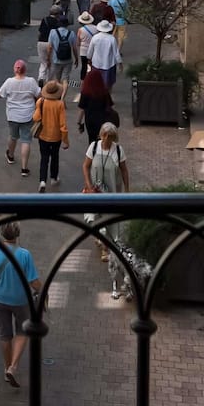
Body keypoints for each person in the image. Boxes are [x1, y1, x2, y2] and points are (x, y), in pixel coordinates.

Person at [0, 221, 42, 388]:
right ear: (17, 235)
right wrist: (43, 290)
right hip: (21, 300)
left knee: (4, 334)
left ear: (1, 233)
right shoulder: (25, 254)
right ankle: (13, 367)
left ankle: (6, 367)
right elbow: (33, 282)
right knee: (22, 331)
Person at [81, 123, 131, 298]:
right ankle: (100, 239)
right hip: (94, 192)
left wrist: (127, 191)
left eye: (110, 137)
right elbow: (85, 166)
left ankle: (104, 246)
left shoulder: (118, 151)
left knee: (109, 221)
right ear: (101, 134)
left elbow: (124, 170)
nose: (106, 139)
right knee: (92, 219)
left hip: (112, 193)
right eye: (104, 135)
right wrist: (88, 186)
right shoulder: (93, 147)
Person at [0, 59, 41, 176]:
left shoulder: (9, 82)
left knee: (13, 136)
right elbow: (39, 94)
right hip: (28, 115)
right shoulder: (31, 81)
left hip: (12, 115)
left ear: (14, 70)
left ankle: (10, 156)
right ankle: (24, 168)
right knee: (26, 141)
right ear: (25, 70)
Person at [31, 80, 69, 192]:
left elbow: (35, 118)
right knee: (55, 156)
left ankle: (42, 181)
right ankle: (54, 177)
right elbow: (63, 124)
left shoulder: (41, 102)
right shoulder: (60, 105)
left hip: (43, 135)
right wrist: (65, 140)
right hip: (56, 137)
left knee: (44, 157)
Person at [76, 69, 120, 147]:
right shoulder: (104, 92)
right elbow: (110, 105)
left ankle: (92, 154)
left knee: (92, 140)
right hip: (104, 120)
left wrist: (79, 122)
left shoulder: (85, 93)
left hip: (90, 121)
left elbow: (82, 109)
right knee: (103, 139)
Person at [87, 19, 123, 89]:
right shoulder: (111, 39)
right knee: (108, 85)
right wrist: (120, 63)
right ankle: (107, 97)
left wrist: (89, 59)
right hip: (108, 65)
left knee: (96, 84)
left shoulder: (95, 37)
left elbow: (90, 52)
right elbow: (116, 53)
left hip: (96, 64)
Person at [45, 16, 75, 90]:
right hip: (68, 59)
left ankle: (57, 95)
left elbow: (49, 47)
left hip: (56, 59)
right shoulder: (71, 33)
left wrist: (48, 59)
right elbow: (74, 48)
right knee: (65, 79)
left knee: (57, 79)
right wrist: (76, 58)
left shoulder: (53, 32)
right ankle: (63, 96)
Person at [35, 4, 63, 84]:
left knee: (43, 62)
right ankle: (48, 81)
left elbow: (39, 32)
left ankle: (41, 78)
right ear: (58, 14)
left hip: (41, 42)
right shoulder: (58, 22)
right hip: (51, 44)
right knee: (52, 64)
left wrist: (39, 40)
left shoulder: (44, 19)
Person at [75, 11, 98, 80]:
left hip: (83, 51)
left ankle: (83, 82)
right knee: (93, 65)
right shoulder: (96, 28)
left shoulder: (81, 30)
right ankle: (93, 80)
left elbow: (78, 42)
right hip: (93, 50)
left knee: (84, 66)